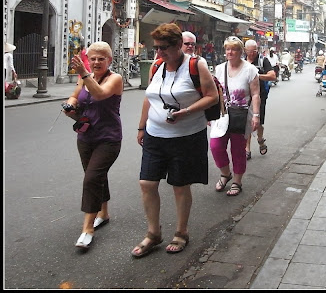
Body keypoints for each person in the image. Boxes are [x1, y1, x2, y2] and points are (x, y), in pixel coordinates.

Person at [132, 23, 218, 257]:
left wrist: (186, 111)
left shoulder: (195, 65)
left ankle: (181, 231)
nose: (159, 53)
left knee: (180, 186)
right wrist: (142, 127)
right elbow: (149, 98)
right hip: (155, 134)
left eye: (164, 48)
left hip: (186, 136)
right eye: (156, 48)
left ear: (179, 45)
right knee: (147, 183)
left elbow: (212, 96)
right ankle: (153, 233)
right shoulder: (157, 65)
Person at [63, 41, 123, 250]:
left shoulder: (115, 79)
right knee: (96, 176)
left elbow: (98, 93)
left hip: (108, 138)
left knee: (91, 178)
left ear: (109, 60)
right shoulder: (84, 77)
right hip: (86, 136)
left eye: (101, 58)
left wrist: (84, 72)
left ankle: (87, 229)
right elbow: (76, 94)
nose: (96, 62)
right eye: (93, 58)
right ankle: (103, 213)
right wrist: (71, 105)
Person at [212, 36, 261, 197]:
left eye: (234, 49)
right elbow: (213, 93)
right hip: (221, 114)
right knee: (216, 146)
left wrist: (256, 115)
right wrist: (208, 114)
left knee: (238, 150)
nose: (230, 52)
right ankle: (226, 173)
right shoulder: (219, 69)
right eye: (227, 49)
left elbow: (255, 94)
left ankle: (237, 181)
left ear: (241, 51)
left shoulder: (250, 70)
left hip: (240, 115)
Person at [244, 39, 276, 160]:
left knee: (258, 122)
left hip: (260, 95)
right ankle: (247, 149)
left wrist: (257, 76)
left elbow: (272, 76)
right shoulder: (241, 61)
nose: (252, 54)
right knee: (247, 122)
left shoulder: (263, 60)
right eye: (249, 51)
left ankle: (260, 138)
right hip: (245, 96)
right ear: (245, 50)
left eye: (254, 51)